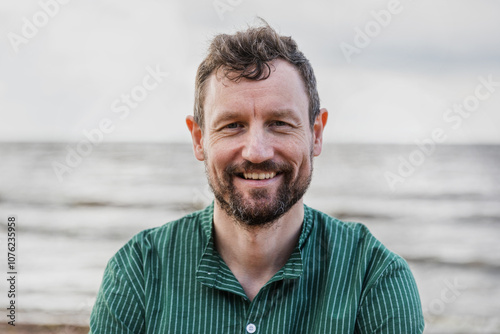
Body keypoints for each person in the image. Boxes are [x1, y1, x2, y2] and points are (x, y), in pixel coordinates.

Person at [89, 22, 425, 333]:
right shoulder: (138, 272)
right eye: (232, 125)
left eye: (279, 123)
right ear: (198, 139)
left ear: (316, 134)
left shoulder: (373, 278)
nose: (257, 151)